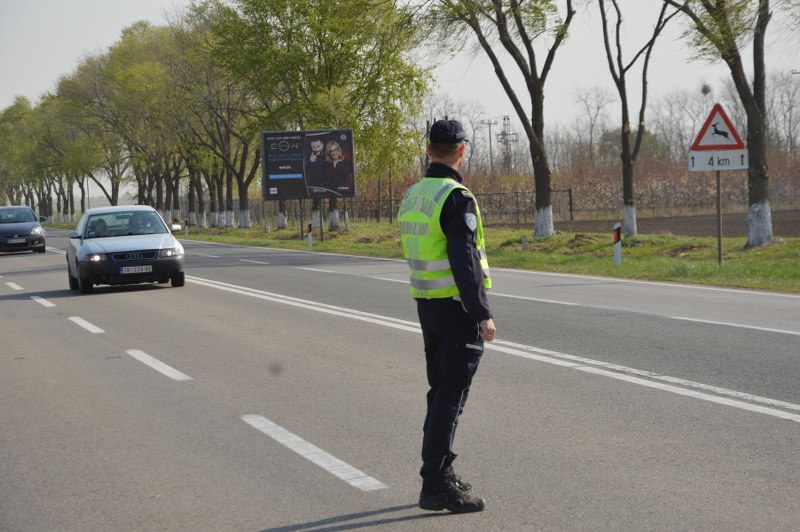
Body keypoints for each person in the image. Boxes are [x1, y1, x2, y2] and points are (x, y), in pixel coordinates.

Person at [398, 119, 496, 514]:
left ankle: (435, 476)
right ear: (462, 150)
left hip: (427, 306)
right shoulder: (456, 197)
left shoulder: (413, 195)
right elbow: (463, 259)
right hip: (456, 310)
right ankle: (436, 482)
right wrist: (482, 313)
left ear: (428, 150)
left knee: (440, 393)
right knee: (450, 398)